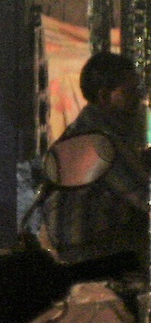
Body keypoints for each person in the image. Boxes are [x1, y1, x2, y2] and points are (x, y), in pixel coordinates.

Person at [45, 52, 150, 267]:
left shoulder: (87, 127)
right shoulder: (102, 141)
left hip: (75, 241)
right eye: (130, 91)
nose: (139, 97)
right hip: (87, 248)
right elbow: (145, 197)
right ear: (104, 96)